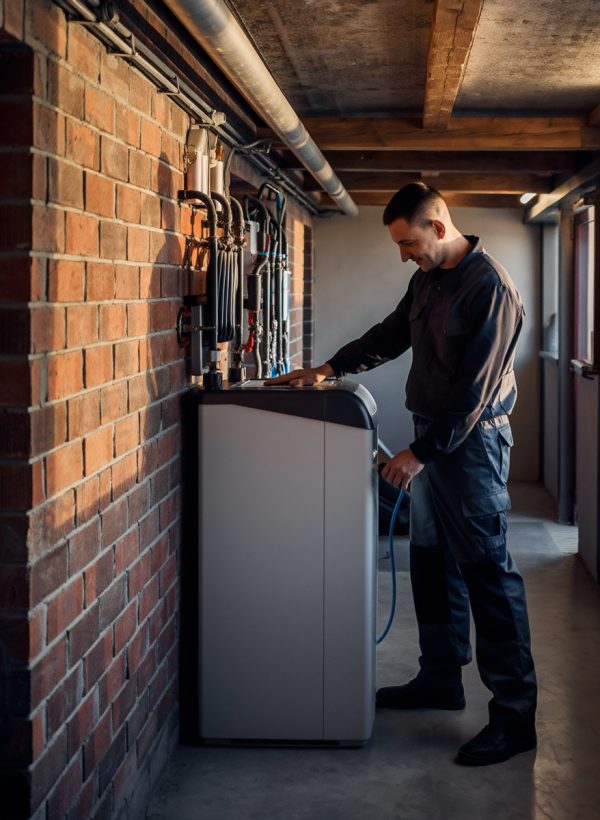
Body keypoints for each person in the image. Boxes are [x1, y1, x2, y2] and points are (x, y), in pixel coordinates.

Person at [265, 182, 537, 766]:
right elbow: (393, 333)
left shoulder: (491, 288)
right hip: (437, 445)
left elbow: (472, 394)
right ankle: (441, 677)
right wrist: (328, 368)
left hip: (471, 447)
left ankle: (516, 718)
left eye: (409, 242)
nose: (403, 255)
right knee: (433, 562)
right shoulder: (428, 278)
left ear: (438, 227)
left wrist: (420, 452)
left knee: (489, 572)